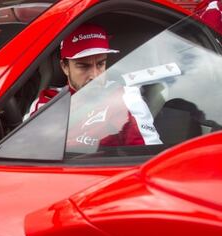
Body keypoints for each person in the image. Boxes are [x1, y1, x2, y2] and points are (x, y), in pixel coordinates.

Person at [24, 23, 162, 147]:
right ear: (65, 67)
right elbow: (24, 151)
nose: (95, 76)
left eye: (101, 64)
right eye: (84, 66)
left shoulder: (125, 98)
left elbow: (147, 154)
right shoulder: (46, 104)